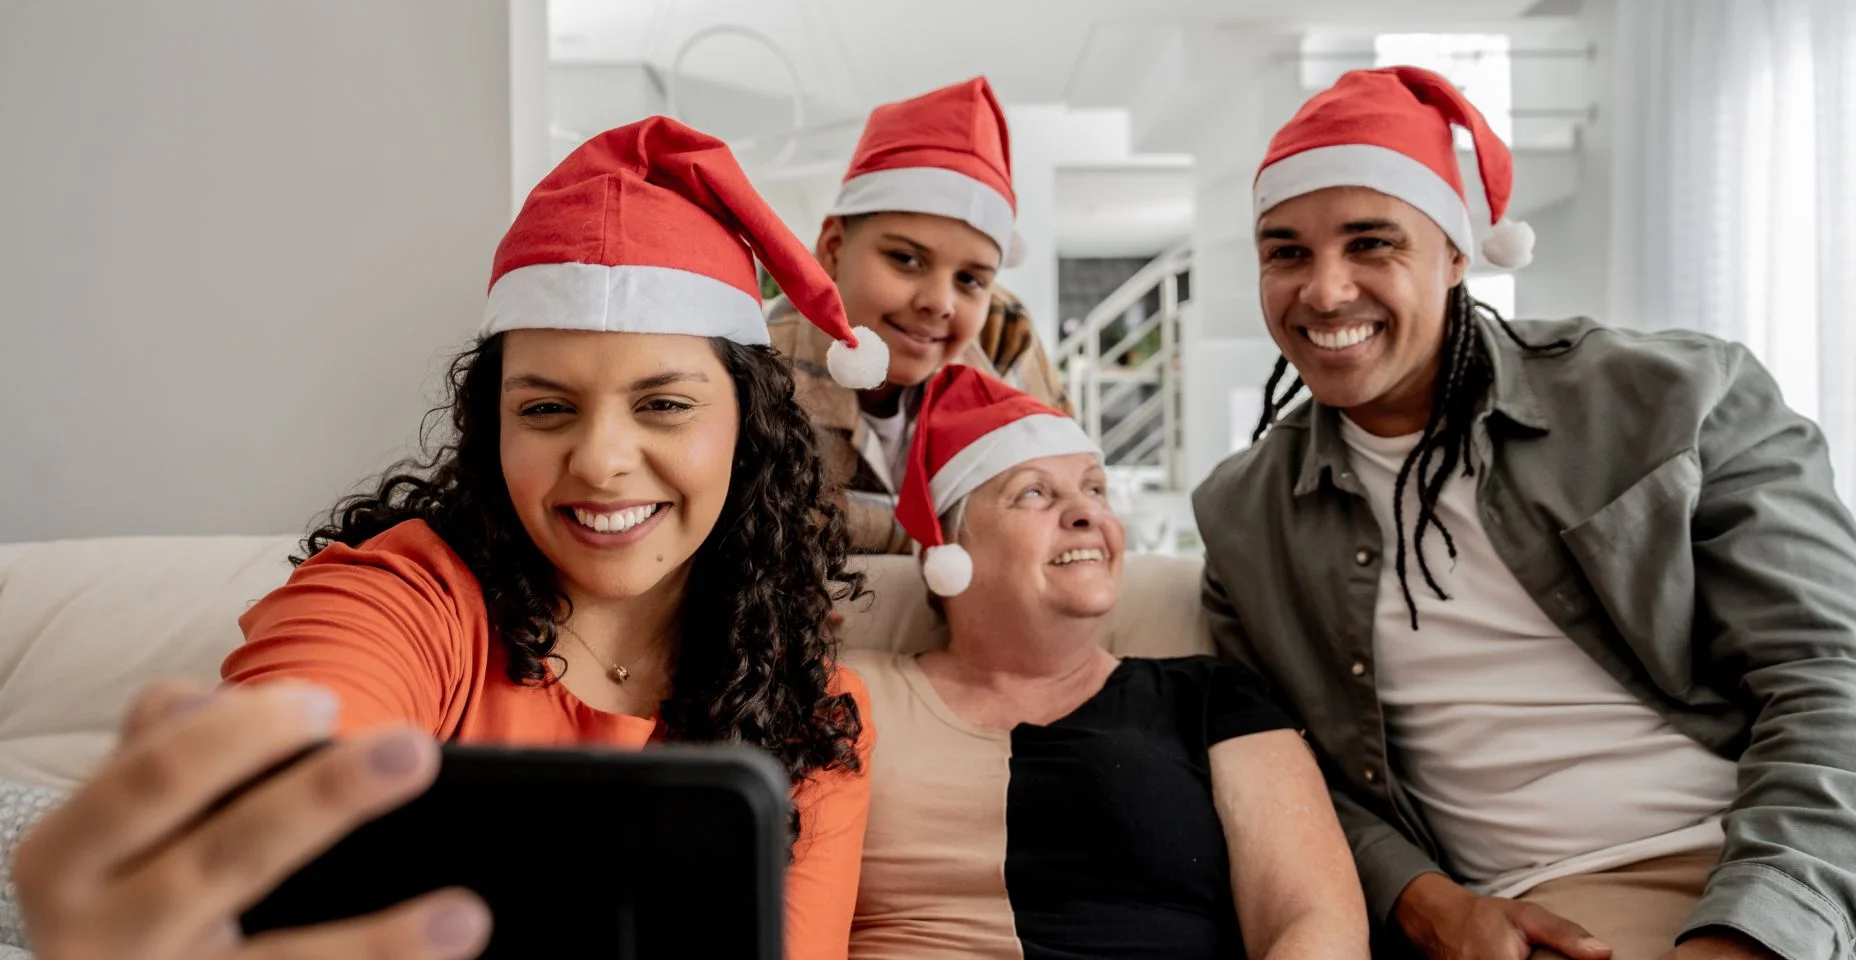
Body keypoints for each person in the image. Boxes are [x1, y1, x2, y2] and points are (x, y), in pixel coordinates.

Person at [12, 116, 888, 960]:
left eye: (663, 405)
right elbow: (296, 747)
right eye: (546, 408)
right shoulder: (400, 599)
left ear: (751, 424)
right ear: (491, 428)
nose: (602, 461)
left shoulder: (812, 712)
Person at [1192, 65, 1856, 960]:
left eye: (1371, 244)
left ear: (1459, 255)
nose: (1324, 290)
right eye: (1286, 251)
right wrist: (1432, 906)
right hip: (1553, 906)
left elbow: (1828, 673)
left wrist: (1755, 928)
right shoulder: (1245, 518)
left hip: (1783, 849)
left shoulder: (1675, 398)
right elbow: (1291, 774)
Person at [844, 364, 1369, 960]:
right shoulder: (852, 695)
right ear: (950, 551)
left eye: (1095, 489)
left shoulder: (1208, 698)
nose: (1086, 513)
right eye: (1035, 492)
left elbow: (1316, 920)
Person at [767, 77, 1071, 554]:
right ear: (833, 249)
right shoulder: (762, 363)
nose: (940, 301)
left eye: (970, 280)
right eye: (906, 259)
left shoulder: (1002, 334)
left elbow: (1067, 495)